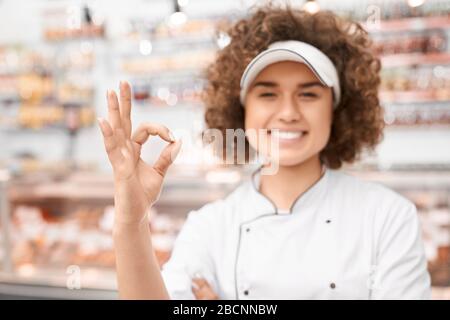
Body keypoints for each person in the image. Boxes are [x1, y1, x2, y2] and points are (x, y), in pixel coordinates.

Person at [97, 4, 431, 299]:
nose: (288, 112)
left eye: (309, 94)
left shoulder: (388, 218)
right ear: (242, 110)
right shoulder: (211, 226)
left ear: (337, 109)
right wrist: (130, 221)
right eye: (268, 94)